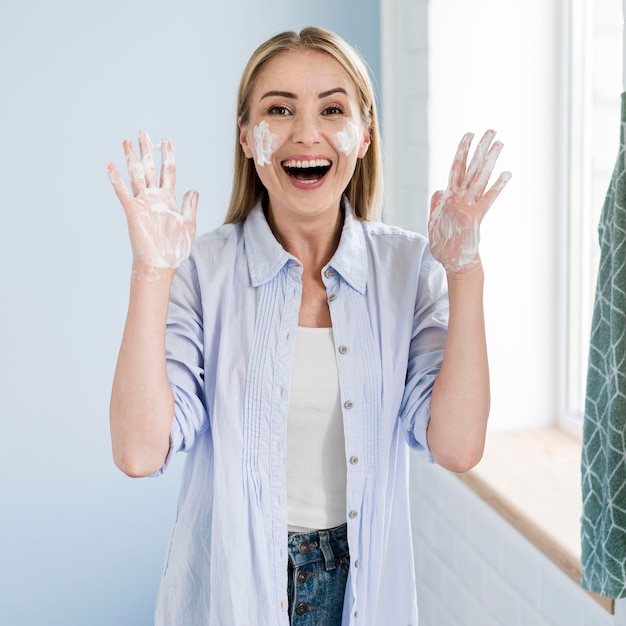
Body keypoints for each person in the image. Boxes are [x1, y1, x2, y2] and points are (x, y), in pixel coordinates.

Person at [106, 26, 510, 626]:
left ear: (364, 134)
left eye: (331, 109)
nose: (306, 133)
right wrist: (150, 272)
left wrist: (465, 272)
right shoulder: (201, 271)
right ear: (247, 137)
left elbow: (455, 446)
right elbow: (140, 453)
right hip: (233, 592)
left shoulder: (409, 268)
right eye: (279, 110)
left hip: (361, 592)